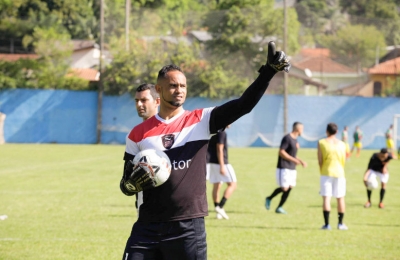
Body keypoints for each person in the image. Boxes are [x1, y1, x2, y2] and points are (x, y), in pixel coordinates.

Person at [119, 41, 290, 260]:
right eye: (173, 86)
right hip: (147, 227)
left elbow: (243, 105)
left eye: (182, 86)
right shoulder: (137, 134)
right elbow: (125, 185)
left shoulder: (201, 120)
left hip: (187, 227)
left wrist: (268, 72)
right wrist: (132, 183)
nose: (179, 90)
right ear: (159, 90)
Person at [265, 122, 307, 214]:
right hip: (283, 166)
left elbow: (293, 155)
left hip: (292, 168)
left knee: (290, 187)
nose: (302, 131)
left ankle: (279, 207)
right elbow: (281, 152)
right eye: (302, 129)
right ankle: (269, 198)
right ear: (298, 129)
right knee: (284, 188)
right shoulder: (287, 138)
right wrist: (293, 160)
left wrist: (301, 161)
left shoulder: (295, 140)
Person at [133, 83, 160, 212]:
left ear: (157, 102)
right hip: (144, 204)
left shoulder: (170, 131)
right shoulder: (134, 135)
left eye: (144, 100)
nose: (139, 104)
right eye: (137, 100)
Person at [317, 123, 348, 230]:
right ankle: (340, 224)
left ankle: (327, 224)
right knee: (340, 198)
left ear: (327, 131)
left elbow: (320, 160)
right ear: (337, 132)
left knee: (326, 198)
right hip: (340, 172)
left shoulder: (321, 142)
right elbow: (344, 159)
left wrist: (322, 170)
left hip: (326, 172)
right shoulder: (343, 144)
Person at [207, 125, 236, 220]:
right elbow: (219, 148)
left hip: (212, 162)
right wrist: (222, 166)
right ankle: (220, 206)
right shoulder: (222, 132)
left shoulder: (214, 131)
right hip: (221, 163)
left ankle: (217, 209)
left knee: (217, 185)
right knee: (233, 184)